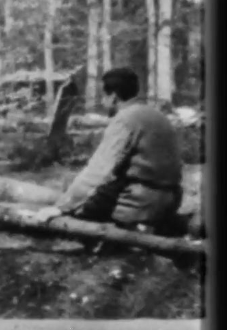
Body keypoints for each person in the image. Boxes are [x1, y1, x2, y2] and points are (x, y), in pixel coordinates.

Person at [30, 67, 184, 232]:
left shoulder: (125, 119)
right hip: (172, 199)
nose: (103, 102)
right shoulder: (156, 115)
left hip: (139, 203)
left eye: (103, 96)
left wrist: (61, 207)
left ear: (113, 97)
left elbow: (99, 170)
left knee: (76, 210)